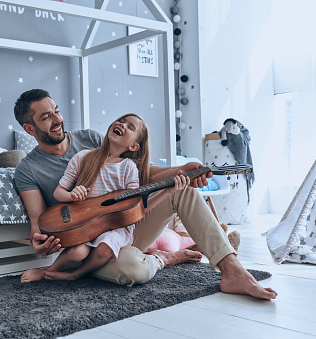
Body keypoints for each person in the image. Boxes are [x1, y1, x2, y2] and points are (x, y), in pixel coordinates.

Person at [14, 89, 277, 299]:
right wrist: (39, 243)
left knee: (181, 190)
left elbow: (143, 174)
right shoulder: (28, 169)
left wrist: (181, 169)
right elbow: (38, 222)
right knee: (133, 270)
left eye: (56, 111)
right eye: (46, 117)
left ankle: (232, 270)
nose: (58, 120)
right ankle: (164, 257)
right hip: (88, 246)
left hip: (124, 226)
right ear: (29, 129)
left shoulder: (91, 140)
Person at [21, 114, 192, 282]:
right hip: (85, 224)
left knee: (104, 249)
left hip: (115, 228)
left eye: (130, 127)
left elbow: (136, 207)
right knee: (76, 253)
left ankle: (76, 274)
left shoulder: (128, 168)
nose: (122, 124)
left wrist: (167, 191)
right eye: (121, 121)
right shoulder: (82, 157)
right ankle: (47, 272)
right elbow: (58, 192)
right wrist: (71, 195)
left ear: (133, 147)